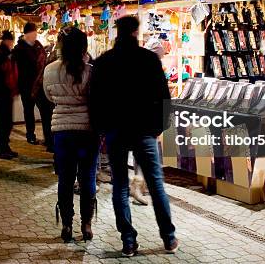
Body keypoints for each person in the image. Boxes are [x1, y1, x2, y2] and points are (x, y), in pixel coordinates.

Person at [90, 16, 178, 257]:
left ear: (117, 33)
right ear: (136, 33)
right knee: (155, 183)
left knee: (119, 186)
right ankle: (168, 238)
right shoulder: (148, 59)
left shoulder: (104, 62)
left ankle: (128, 241)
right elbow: (163, 97)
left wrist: (101, 128)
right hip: (144, 130)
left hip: (116, 130)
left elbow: (94, 100)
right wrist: (160, 126)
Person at [43, 26, 99, 242]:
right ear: (84, 47)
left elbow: (49, 96)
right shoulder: (90, 71)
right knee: (87, 178)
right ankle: (86, 224)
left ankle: (67, 225)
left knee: (65, 179)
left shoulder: (50, 70)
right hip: (87, 131)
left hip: (62, 131)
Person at [13, 22, 54, 151]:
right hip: (26, 84)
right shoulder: (19, 49)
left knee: (45, 111)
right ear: (27, 34)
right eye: (33, 33)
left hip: (39, 84)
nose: (35, 35)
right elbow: (21, 66)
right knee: (29, 110)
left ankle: (48, 138)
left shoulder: (37, 45)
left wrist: (45, 51)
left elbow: (41, 59)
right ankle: (30, 135)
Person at [0, 31, 18, 159]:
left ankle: (4, 147)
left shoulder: (1, 53)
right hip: (3, 92)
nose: (12, 44)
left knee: (6, 122)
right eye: (11, 41)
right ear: (8, 41)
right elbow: (3, 74)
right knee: (4, 122)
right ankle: (1, 149)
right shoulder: (2, 55)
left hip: (3, 92)